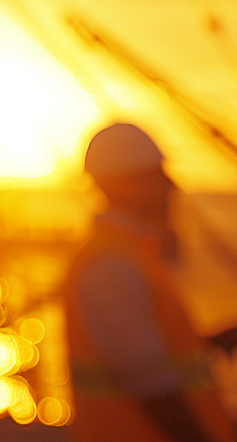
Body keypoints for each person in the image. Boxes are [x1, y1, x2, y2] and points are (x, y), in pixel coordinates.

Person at [62, 123, 237, 442]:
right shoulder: (110, 267)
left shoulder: (130, 256)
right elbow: (155, 392)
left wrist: (210, 344)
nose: (172, 185)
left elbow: (148, 357)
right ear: (122, 184)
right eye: (156, 175)